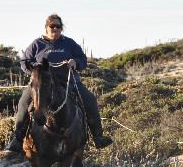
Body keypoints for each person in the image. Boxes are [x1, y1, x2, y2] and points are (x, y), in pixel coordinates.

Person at [7, 14, 113, 152]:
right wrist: (37, 68)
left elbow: (83, 60)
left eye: (58, 26)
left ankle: (98, 136)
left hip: (68, 82)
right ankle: (18, 138)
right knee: (23, 102)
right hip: (42, 84)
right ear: (46, 28)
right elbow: (24, 62)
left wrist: (75, 62)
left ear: (61, 28)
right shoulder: (37, 44)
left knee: (91, 100)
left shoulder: (69, 43)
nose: (55, 29)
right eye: (52, 26)